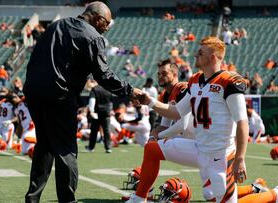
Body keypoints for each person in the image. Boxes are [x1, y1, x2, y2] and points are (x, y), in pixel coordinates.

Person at [23, 2, 142, 202]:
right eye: (107, 23)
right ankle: (67, 200)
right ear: (98, 19)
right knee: (66, 149)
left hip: (34, 92)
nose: (107, 28)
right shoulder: (93, 36)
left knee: (44, 145)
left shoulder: (56, 25)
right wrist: (130, 90)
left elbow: (36, 57)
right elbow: (103, 75)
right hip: (59, 95)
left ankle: (32, 198)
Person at [127, 36, 249, 203]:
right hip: (199, 148)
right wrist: (149, 101)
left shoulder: (228, 82)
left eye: (200, 52)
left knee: (219, 199)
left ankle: (276, 195)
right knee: (152, 149)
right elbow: (177, 112)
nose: (195, 55)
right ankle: (139, 199)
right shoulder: (195, 80)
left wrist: (240, 158)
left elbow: (242, 122)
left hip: (220, 156)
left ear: (212, 57)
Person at [86, 81, 114, 153]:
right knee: (107, 130)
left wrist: (91, 111)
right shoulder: (108, 89)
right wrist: (110, 110)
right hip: (106, 112)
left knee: (94, 130)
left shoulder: (95, 89)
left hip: (97, 112)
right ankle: (108, 147)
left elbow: (92, 100)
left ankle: (91, 147)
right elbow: (111, 102)